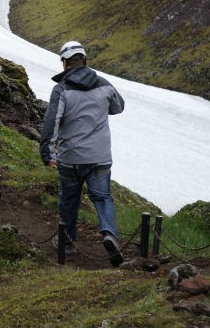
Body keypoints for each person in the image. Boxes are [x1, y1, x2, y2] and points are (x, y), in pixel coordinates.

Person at [39, 41, 126, 266]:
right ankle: (109, 234)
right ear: (84, 60)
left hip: (71, 157)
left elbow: (52, 122)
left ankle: (68, 242)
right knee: (103, 198)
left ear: (65, 63)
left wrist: (47, 152)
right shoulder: (103, 84)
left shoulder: (62, 89)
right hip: (99, 157)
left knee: (69, 199)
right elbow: (118, 107)